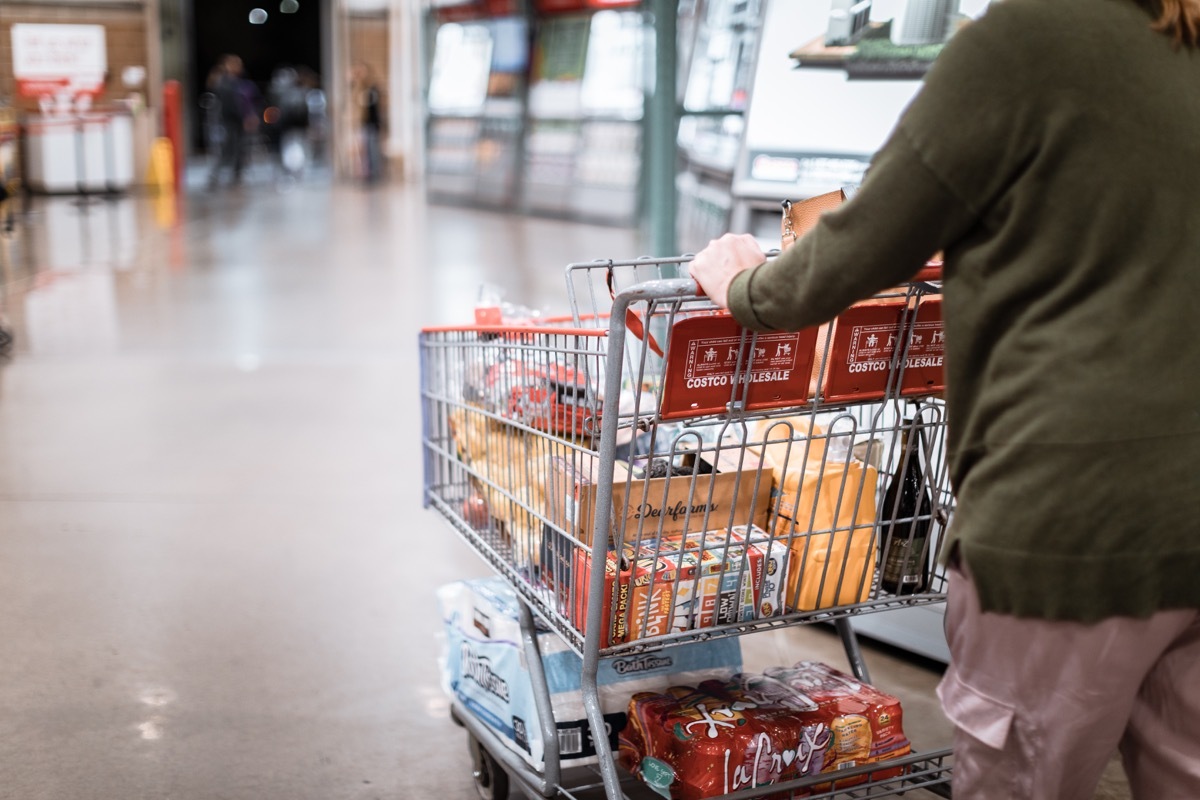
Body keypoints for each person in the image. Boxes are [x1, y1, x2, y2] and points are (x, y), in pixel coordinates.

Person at [688, 1, 1200, 798]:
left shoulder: (1025, 40)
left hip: (1067, 524)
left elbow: (860, 243)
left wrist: (741, 284)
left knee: (1021, 779)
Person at [207, 55, 259, 187]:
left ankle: (235, 174)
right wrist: (242, 118)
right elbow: (231, 104)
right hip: (229, 121)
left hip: (234, 121)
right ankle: (216, 175)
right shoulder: (225, 83)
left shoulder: (235, 82)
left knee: (237, 149)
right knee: (227, 149)